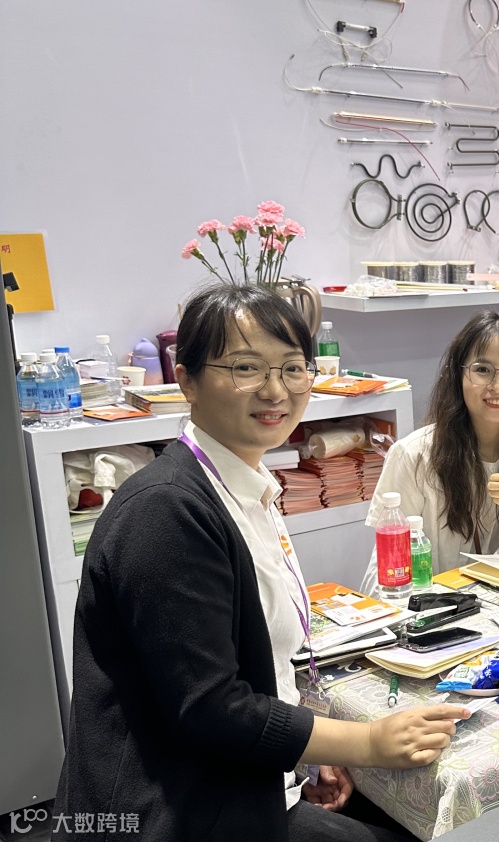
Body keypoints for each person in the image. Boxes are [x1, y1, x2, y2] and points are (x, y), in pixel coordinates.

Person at [53, 284, 467, 842]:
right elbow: (210, 707)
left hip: (242, 780)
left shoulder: (246, 488)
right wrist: (366, 742)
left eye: (293, 368)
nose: (275, 390)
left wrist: (304, 750)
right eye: (246, 367)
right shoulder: (166, 511)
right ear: (187, 380)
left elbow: (256, 663)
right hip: (174, 810)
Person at [363, 311, 499, 586]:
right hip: (418, 603)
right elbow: (388, 569)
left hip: (484, 602)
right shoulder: (413, 455)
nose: (498, 386)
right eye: (482, 370)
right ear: (458, 375)